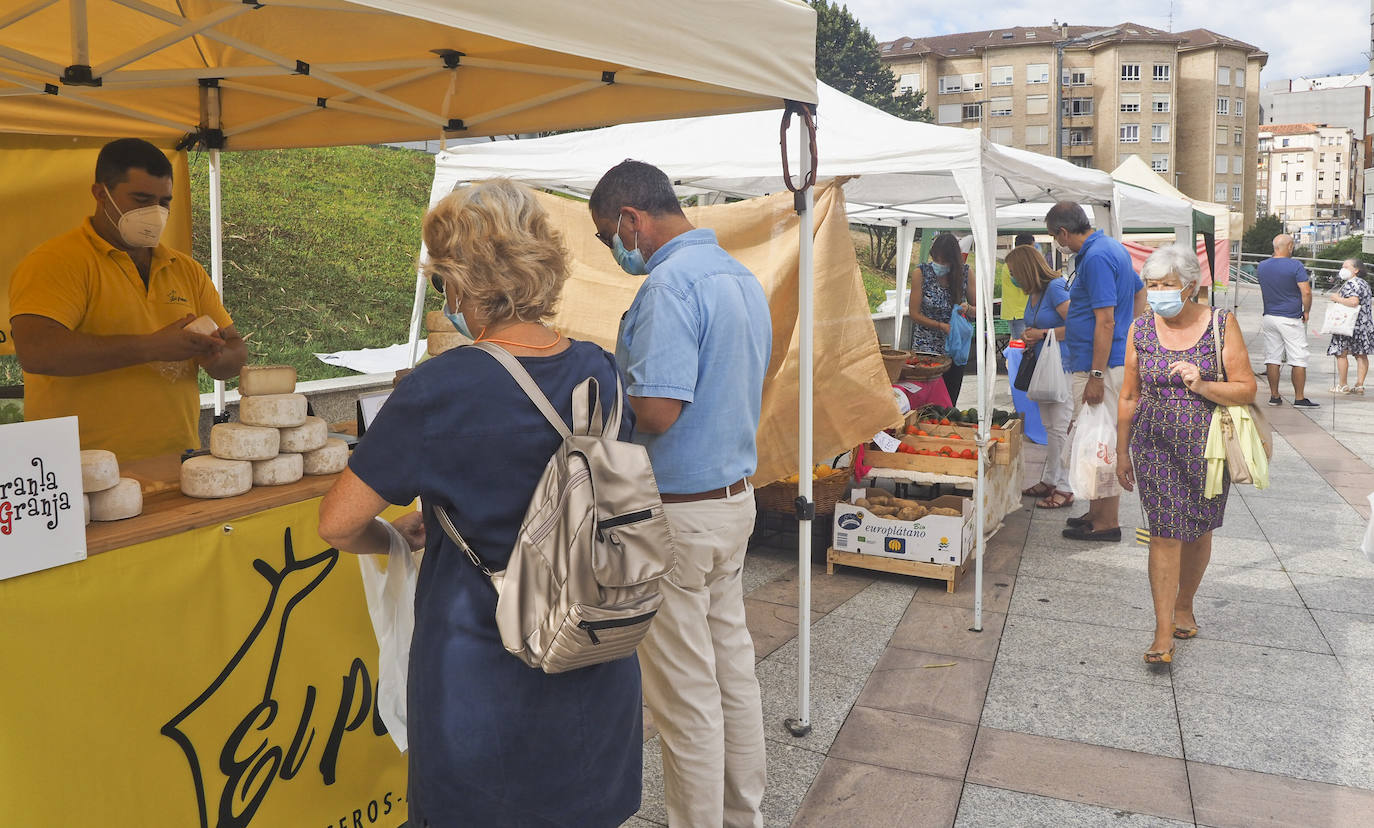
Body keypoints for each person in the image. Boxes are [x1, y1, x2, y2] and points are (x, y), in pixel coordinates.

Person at [319, 179, 642, 827]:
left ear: (461, 283)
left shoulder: (440, 388)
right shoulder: (601, 369)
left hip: (481, 677)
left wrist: (396, 535)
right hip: (591, 646)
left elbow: (339, 523)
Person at [588, 160, 771, 828]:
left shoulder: (669, 285)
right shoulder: (739, 276)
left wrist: (598, 408)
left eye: (612, 234)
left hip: (676, 514)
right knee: (732, 677)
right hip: (730, 503)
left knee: (685, 696)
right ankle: (740, 816)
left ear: (632, 220)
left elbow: (660, 409)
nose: (618, 249)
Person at [9, 138, 246, 461]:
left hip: (177, 461)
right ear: (100, 193)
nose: (156, 213)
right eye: (141, 199)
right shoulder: (56, 262)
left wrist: (216, 356)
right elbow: (37, 352)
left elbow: (235, 348)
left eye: (164, 201)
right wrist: (152, 347)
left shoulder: (185, 269)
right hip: (79, 470)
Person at [1116, 245, 1256, 664]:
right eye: (1151, 285)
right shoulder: (1140, 328)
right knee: (1164, 532)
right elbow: (1128, 394)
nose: (1157, 293)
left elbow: (1247, 388)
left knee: (1197, 530)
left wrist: (1203, 385)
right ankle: (1162, 633)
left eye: (1166, 285)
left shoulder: (1220, 323)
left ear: (1191, 286)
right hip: (1154, 442)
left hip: (1208, 444)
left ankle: (1185, 603)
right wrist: (1122, 451)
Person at [1045, 201, 1145, 542]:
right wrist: (1131, 335)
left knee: (1102, 441)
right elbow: (1139, 290)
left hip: (1099, 365)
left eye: (1054, 237)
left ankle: (1107, 522)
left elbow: (1105, 319)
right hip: (1103, 359)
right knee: (1093, 438)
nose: (1057, 243)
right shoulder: (1107, 249)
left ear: (1062, 231)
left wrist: (1097, 375)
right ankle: (1096, 511)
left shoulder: (1098, 256)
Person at [1008, 245, 1073, 510]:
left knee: (1060, 426)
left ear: (1026, 269)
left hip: (1063, 365)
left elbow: (1078, 326)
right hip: (1045, 366)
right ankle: (1050, 479)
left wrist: (1042, 334)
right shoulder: (1034, 293)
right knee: (1050, 425)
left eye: (1014, 272)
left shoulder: (1055, 288)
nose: (1012, 277)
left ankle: (1065, 486)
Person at [909, 232, 975, 404]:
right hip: (926, 347)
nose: (939, 265)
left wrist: (968, 309)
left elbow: (979, 310)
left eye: (944, 261)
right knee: (925, 400)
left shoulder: (966, 273)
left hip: (955, 347)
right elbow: (914, 313)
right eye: (936, 260)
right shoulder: (921, 273)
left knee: (949, 400)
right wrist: (940, 325)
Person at [1256, 234, 1318, 407]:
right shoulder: (1295, 265)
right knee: (1298, 358)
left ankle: (1274, 396)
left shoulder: (1262, 266)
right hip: (1290, 317)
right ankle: (1299, 398)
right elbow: (1306, 292)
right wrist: (1307, 311)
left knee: (1272, 357)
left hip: (1269, 316)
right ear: (1289, 246)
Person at [1327, 258, 1373, 395]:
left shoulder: (1352, 284)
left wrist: (1337, 299)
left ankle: (1343, 385)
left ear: (1356, 270)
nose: (1343, 269)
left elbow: (1353, 302)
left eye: (1346, 267)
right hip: (1363, 325)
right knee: (1361, 355)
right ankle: (1359, 385)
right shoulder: (1364, 283)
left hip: (1348, 324)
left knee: (1341, 353)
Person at [1001, 232, 1036, 339]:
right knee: (1022, 347)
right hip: (1018, 313)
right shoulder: (1012, 263)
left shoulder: (1015, 262)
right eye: (1033, 247)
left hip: (1022, 311)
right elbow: (1026, 284)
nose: (1034, 251)